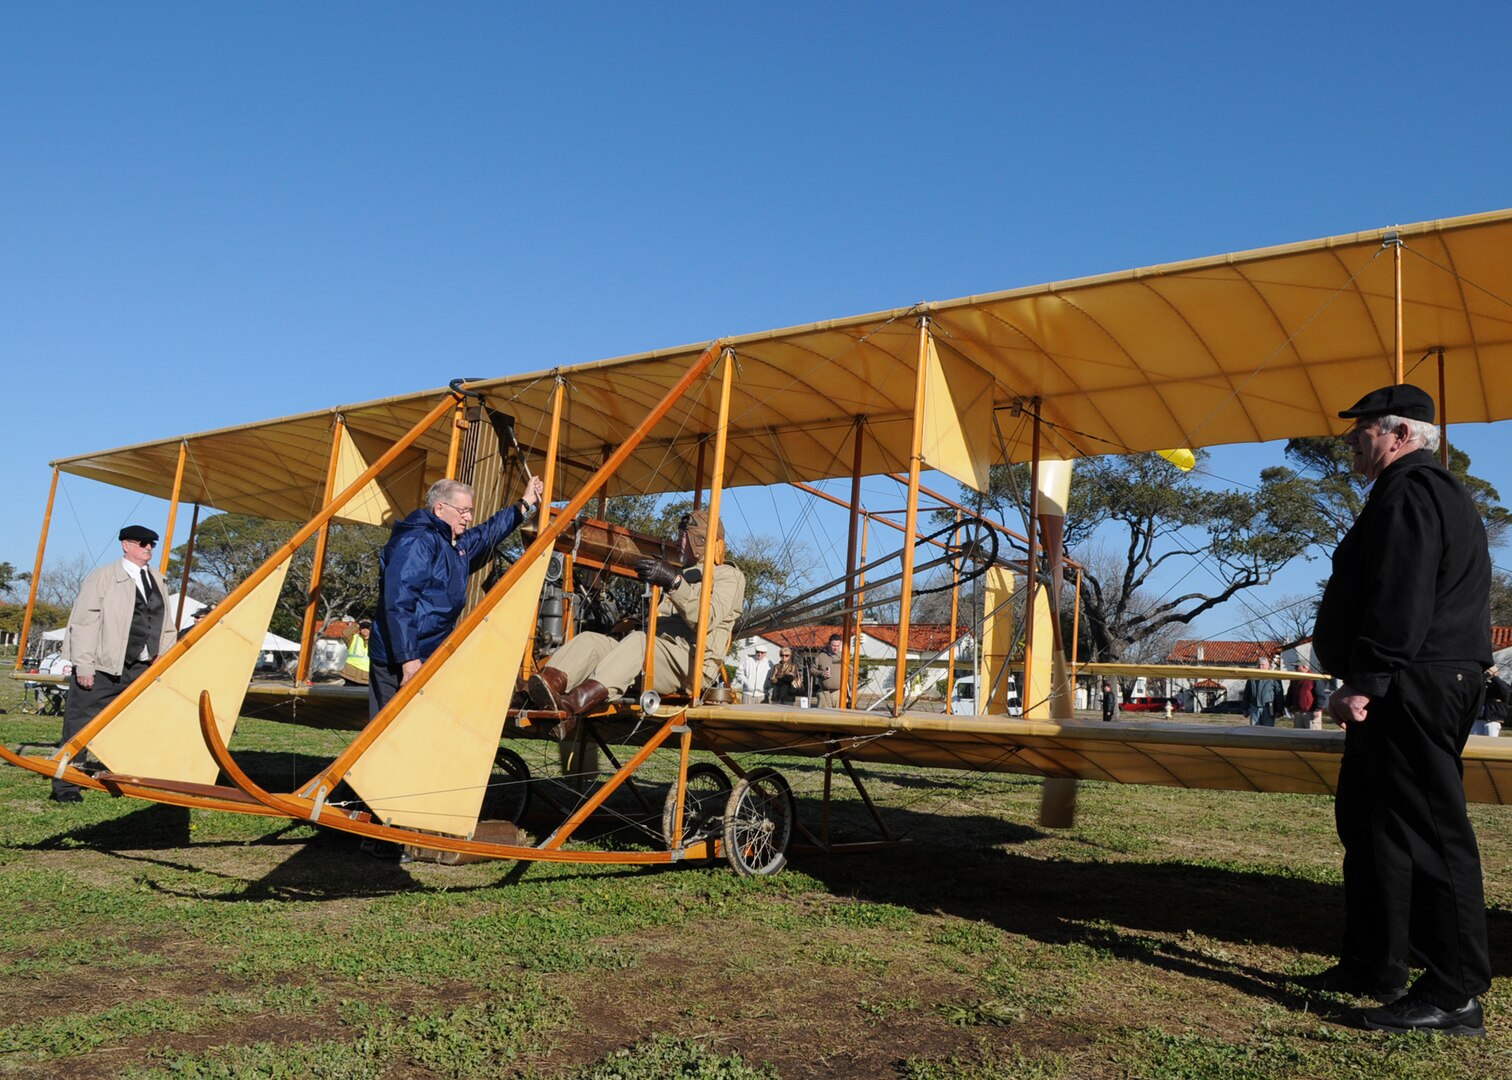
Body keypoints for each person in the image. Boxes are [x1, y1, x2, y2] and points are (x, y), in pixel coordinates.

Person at [1309, 383, 1491, 1036]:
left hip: (1414, 681)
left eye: (1363, 429)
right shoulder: (1408, 490)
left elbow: (1402, 592)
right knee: (1371, 823)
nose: (1354, 440)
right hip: (1406, 680)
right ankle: (1374, 962)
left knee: (1429, 832)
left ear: (1401, 434)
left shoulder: (1415, 490)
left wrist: (1369, 677)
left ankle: (1456, 991)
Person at [528, 510, 746, 732]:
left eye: (684, 536)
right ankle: (538, 691)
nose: (678, 541)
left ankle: (570, 708)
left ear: (701, 541)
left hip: (691, 662)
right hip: (657, 653)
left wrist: (673, 581)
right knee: (590, 641)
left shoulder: (728, 576)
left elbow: (706, 620)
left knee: (641, 643)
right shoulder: (685, 573)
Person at [368, 475, 543, 718]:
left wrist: (525, 502)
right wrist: (408, 660)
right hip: (398, 659)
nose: (469, 518)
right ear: (440, 508)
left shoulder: (452, 543)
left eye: (470, 511)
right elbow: (398, 603)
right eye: (463, 511)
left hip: (430, 652)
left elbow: (488, 533)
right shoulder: (417, 541)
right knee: (387, 733)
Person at [53, 525, 177, 803]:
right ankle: (66, 786)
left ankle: (123, 780)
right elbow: (84, 623)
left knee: (133, 725)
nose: (149, 548)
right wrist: (84, 665)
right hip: (102, 666)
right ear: (125, 545)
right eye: (143, 543)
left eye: (152, 544)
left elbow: (166, 625)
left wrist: (163, 656)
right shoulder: (103, 577)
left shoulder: (158, 580)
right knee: (79, 726)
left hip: (141, 668)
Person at [1242, 655, 1282, 726]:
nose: (1260, 667)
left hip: (1269, 709)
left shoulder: (1274, 677)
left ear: (1268, 666)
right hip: (1254, 708)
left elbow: (1279, 695)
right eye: (1259, 665)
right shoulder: (1252, 678)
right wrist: (1245, 708)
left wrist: (1279, 710)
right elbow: (1247, 694)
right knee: (1254, 731)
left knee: (1268, 731)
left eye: (1263, 665)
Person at [1472, 667, 1509, 738]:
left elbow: (1505, 692)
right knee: (1476, 742)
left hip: (1492, 720)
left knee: (1491, 741)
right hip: (1478, 719)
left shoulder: (1500, 684)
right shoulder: (1482, 684)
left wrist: (1494, 677)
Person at [1285, 660, 1321, 730]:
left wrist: (1318, 709)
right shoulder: (1294, 679)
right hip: (1298, 713)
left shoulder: (1314, 677)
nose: (1295, 669)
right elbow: (1290, 693)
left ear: (1304, 667)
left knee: (1313, 736)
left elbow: (1320, 695)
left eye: (1297, 666)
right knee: (1299, 735)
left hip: (1311, 713)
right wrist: (1287, 706)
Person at [813, 633, 845, 708]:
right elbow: (812, 669)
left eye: (838, 646)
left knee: (839, 717)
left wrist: (851, 693)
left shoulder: (844, 656)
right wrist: (821, 673)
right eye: (833, 646)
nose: (835, 648)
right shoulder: (821, 656)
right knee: (823, 717)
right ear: (829, 644)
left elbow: (850, 674)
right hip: (824, 693)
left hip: (839, 694)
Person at [342, 620, 372, 685]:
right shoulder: (354, 638)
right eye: (363, 628)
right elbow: (345, 634)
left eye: (367, 628)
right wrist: (357, 625)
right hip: (350, 673)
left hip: (365, 676)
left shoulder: (375, 641)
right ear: (360, 629)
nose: (365, 630)